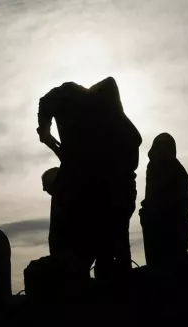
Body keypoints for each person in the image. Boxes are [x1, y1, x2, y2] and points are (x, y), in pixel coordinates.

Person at [36, 77, 142, 284]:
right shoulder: (116, 129)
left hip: (108, 191)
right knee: (114, 244)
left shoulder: (70, 97)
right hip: (116, 189)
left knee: (103, 246)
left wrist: (44, 131)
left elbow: (46, 100)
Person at [139, 132, 188, 269]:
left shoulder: (175, 172)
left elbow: (172, 206)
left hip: (170, 228)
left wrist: (149, 211)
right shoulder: (155, 168)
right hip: (159, 226)